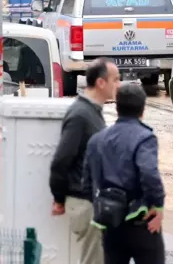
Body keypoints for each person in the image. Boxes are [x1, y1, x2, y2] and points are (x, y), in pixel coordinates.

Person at [83, 84, 165, 264]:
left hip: (110, 223)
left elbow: (87, 184)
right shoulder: (144, 137)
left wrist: (102, 207)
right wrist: (158, 206)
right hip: (142, 221)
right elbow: (149, 174)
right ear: (143, 109)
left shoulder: (97, 140)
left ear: (117, 107)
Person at [49, 58, 120, 264]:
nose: (119, 84)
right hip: (84, 203)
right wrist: (59, 198)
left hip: (92, 201)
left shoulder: (92, 112)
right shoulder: (81, 115)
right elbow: (61, 160)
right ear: (101, 83)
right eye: (115, 80)